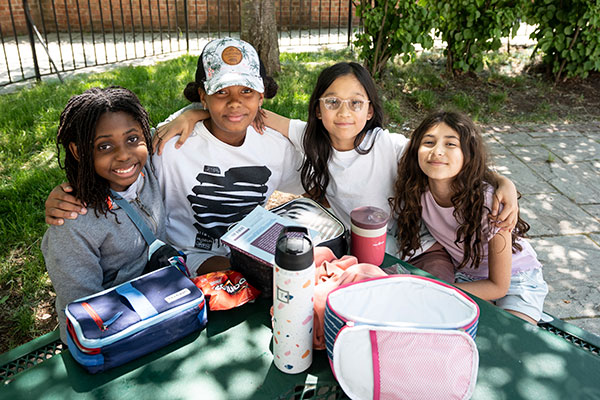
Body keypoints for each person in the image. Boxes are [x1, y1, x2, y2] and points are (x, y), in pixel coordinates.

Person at [152, 62, 520, 282]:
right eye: (332, 102)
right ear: (317, 110)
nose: (344, 113)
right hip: (360, 253)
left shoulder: (388, 146)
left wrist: (502, 181)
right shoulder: (310, 141)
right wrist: (192, 112)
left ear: (370, 111)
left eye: (356, 103)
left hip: (420, 249)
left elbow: (443, 157)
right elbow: (244, 111)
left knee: (427, 300)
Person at [44, 37, 303, 276]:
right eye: (221, 92)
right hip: (188, 255)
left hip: (252, 246)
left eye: (246, 91)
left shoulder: (276, 146)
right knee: (252, 276)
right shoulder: (171, 143)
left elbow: (318, 182)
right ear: (203, 96)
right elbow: (119, 161)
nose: (235, 102)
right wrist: (69, 194)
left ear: (261, 96)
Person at [391, 111, 548, 324]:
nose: (437, 151)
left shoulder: (489, 202)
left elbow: (499, 285)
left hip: (515, 279)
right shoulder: (417, 190)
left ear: (468, 154)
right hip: (467, 275)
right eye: (429, 142)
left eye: (450, 144)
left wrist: (440, 291)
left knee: (511, 338)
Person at [41, 86, 164, 342]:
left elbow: (189, 120)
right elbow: (79, 312)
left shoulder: (151, 164)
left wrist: (190, 116)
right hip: (119, 334)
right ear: (78, 151)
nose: (124, 155)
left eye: (132, 139)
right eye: (104, 146)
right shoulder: (73, 222)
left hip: (166, 304)